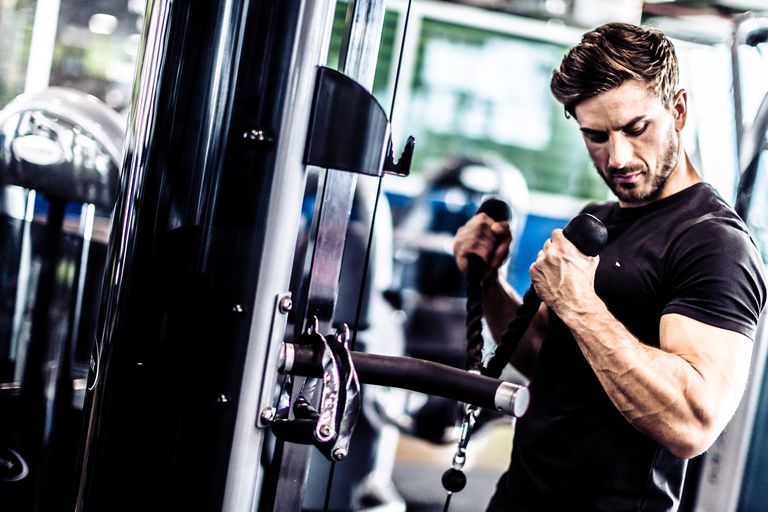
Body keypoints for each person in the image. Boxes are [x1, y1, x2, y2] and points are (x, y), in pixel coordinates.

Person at [452, 22, 767, 511]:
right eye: (595, 136)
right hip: (519, 496)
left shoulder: (714, 243)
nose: (617, 157)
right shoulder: (599, 220)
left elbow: (692, 422)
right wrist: (490, 278)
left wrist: (579, 303)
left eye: (636, 129)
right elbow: (549, 358)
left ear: (678, 111)